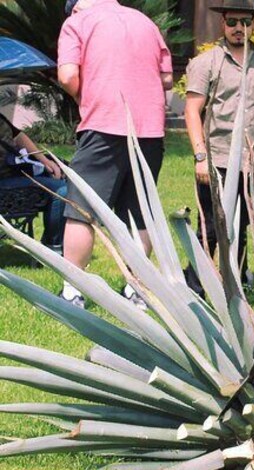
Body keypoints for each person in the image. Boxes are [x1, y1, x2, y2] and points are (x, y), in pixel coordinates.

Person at [57, 0, 173, 309]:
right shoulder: (146, 23)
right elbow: (166, 79)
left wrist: (88, 92)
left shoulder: (77, 23)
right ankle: (136, 291)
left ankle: (73, 290)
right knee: (139, 212)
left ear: (76, 6)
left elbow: (68, 75)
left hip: (103, 124)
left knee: (81, 208)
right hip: (149, 129)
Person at [183, 0, 254, 295]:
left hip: (252, 163)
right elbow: (192, 111)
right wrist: (200, 156)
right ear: (222, 23)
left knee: (242, 225)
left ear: (253, 24)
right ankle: (194, 284)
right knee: (211, 227)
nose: (239, 28)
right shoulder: (207, 63)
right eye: (232, 22)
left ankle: (237, 281)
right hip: (216, 158)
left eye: (245, 22)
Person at [0, 114, 66, 253]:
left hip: (15, 176)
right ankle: (53, 248)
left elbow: (18, 136)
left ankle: (52, 245)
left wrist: (44, 161)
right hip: (6, 185)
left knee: (62, 186)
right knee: (60, 190)